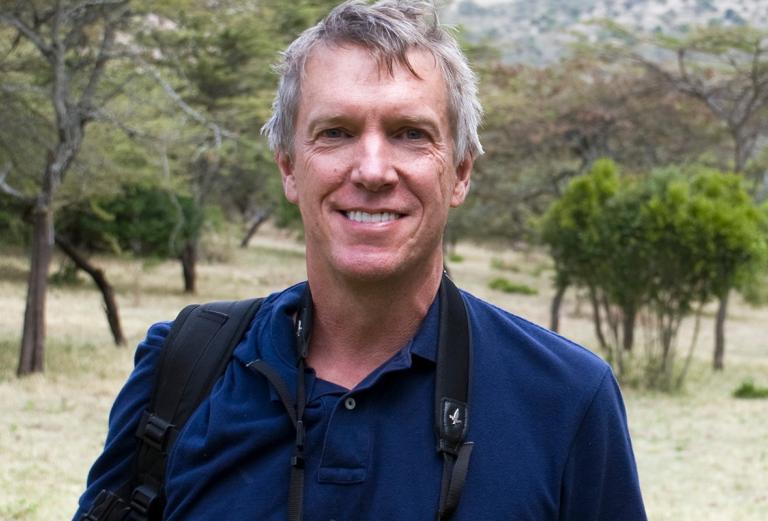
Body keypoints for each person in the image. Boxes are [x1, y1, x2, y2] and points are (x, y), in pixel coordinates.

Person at [73, 1, 647, 520]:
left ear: (461, 173)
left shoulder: (567, 397)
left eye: (409, 133)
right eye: (337, 132)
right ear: (289, 169)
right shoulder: (182, 369)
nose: (372, 170)